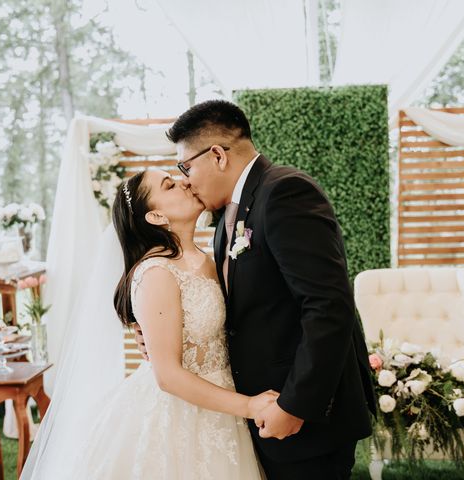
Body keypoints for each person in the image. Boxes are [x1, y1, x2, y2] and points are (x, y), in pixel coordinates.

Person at [135, 100, 377, 479]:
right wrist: (166, 334)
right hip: (255, 414)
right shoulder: (224, 222)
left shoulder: (285, 193)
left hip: (301, 415)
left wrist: (294, 406)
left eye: (186, 166)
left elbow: (328, 306)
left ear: (216, 155)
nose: (185, 179)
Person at [22, 167, 276, 479]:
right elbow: (167, 376)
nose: (183, 182)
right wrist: (249, 406)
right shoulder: (156, 273)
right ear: (156, 217)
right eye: (170, 185)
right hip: (180, 414)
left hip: (222, 405)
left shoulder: (205, 258)